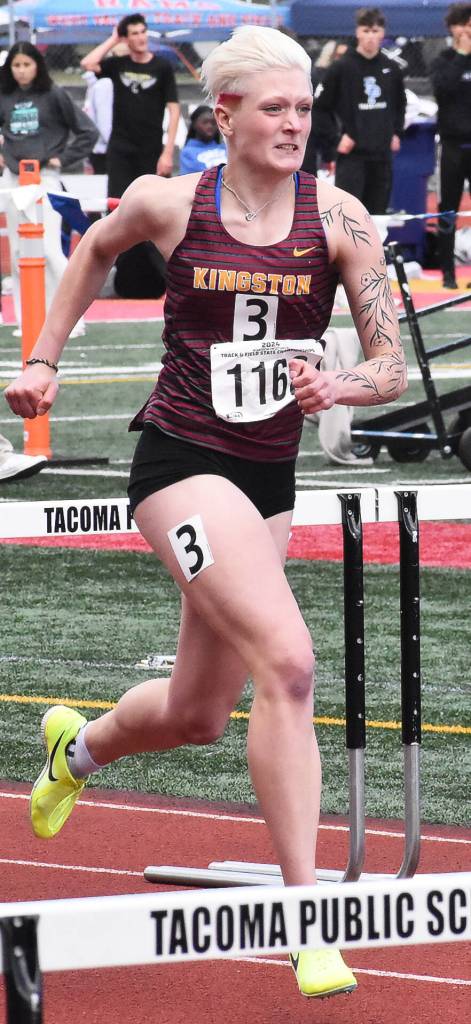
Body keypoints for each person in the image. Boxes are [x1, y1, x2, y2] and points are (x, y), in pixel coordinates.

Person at [5, 25, 407, 1000]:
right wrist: (45, 358)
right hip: (180, 461)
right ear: (222, 115)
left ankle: (79, 747)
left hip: (268, 476)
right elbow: (94, 251)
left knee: (196, 714)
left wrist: (340, 388)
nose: (294, 124)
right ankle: (311, 918)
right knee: (293, 661)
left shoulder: (342, 217)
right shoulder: (171, 202)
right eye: (274, 107)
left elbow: (390, 366)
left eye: (304, 109)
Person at [0, 42, 97, 335]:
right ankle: (26, 319)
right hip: (13, 179)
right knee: (19, 253)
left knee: (51, 250)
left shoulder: (54, 94)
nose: (21, 71)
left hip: (45, 178)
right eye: (16, 65)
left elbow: (88, 131)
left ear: (37, 65)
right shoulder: (4, 95)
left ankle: (73, 319)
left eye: (26, 64)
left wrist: (61, 159)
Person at [312, 6, 406, 214]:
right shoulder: (341, 67)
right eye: (366, 30)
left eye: (375, 31)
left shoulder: (392, 68)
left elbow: (401, 104)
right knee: (349, 216)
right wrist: (336, 139)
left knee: (377, 216)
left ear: (382, 33)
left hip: (382, 156)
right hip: (352, 157)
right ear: (357, 32)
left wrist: (396, 132)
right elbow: (319, 109)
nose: (370, 37)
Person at [80, 13, 180, 198]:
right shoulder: (118, 64)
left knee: (153, 203)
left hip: (151, 148)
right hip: (120, 148)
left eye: (143, 32)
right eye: (134, 33)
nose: (141, 37)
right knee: (117, 204)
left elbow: (174, 110)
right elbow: (88, 63)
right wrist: (114, 39)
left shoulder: (162, 67)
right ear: (126, 39)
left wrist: (167, 153)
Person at [430, 2, 471, 289]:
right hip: (453, 146)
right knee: (448, 208)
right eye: (461, 24)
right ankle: (448, 273)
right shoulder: (443, 60)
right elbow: (443, 91)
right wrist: (461, 56)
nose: (465, 31)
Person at [301, 40, 347, 176]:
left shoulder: (348, 78)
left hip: (336, 134)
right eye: (338, 55)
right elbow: (320, 112)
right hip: (316, 132)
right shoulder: (318, 76)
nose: (342, 60)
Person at [179, 104, 227, 174]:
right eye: (205, 122)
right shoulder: (187, 153)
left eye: (213, 123)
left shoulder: (226, 148)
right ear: (194, 125)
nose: (210, 126)